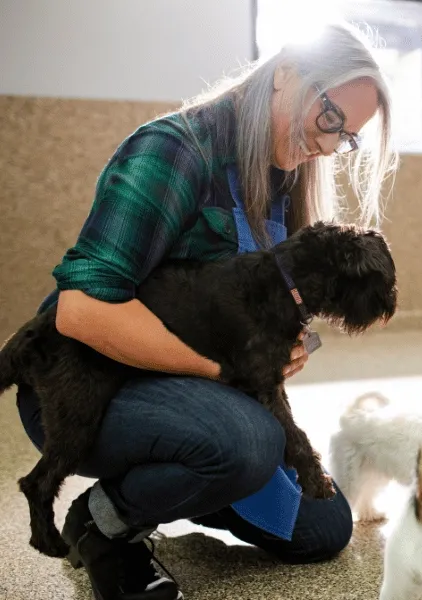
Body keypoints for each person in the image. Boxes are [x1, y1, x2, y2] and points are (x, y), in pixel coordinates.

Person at [15, 21, 396, 600]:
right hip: (83, 384)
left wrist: (278, 350)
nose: (327, 145)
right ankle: (104, 522)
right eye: (330, 119)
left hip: (186, 392)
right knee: (246, 444)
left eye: (345, 139)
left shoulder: (283, 173)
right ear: (286, 75)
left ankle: (184, 475)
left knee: (324, 528)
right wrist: (224, 372)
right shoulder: (172, 150)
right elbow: (81, 313)